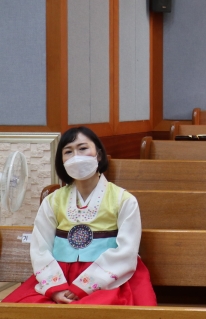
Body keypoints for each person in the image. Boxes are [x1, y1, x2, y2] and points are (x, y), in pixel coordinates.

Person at [3, 127, 156, 305]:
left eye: (83, 148)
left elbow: (126, 250)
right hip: (59, 277)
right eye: (68, 151)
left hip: (108, 277)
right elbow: (40, 247)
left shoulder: (124, 200)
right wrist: (55, 288)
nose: (76, 156)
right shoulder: (52, 201)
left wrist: (83, 286)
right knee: (19, 312)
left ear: (99, 154)